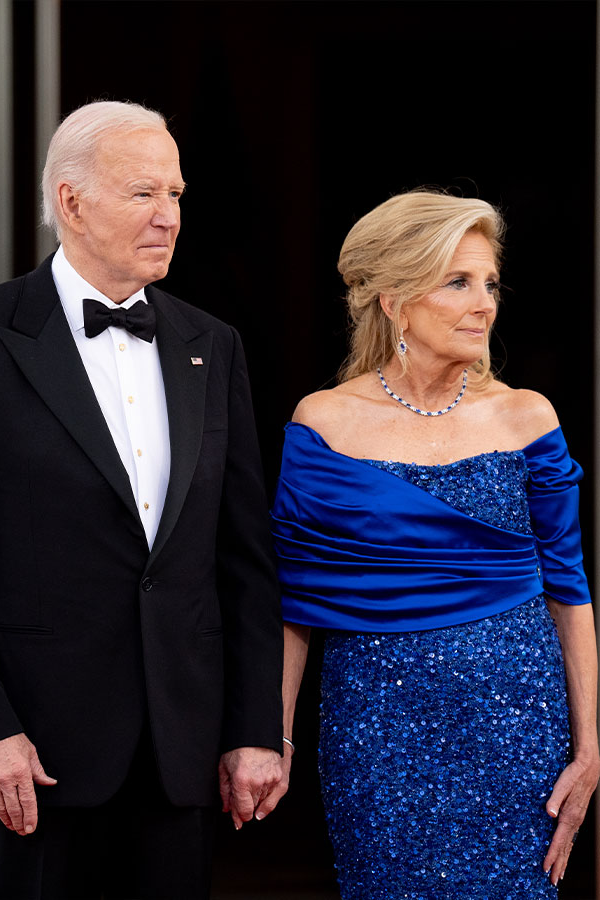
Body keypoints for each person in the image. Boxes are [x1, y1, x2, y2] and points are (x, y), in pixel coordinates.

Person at [0, 100, 284, 900]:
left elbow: (244, 558)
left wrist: (254, 731)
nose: (169, 217)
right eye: (145, 193)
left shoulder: (213, 346)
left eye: (177, 195)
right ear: (71, 202)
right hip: (31, 763)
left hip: (181, 757)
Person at [268, 190, 599, 898]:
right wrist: (278, 735)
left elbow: (571, 593)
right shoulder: (324, 423)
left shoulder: (526, 415)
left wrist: (590, 747)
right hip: (377, 732)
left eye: (489, 284)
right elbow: (293, 603)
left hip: (520, 735)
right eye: (458, 282)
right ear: (394, 300)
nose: (484, 304)